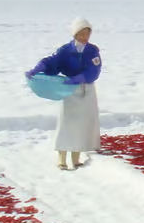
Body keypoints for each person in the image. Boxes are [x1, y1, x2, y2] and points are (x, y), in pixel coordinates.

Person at [27, 17, 102, 170]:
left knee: (82, 125)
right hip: (69, 90)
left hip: (86, 90)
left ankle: (76, 158)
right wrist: (40, 67)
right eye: (81, 33)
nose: (85, 37)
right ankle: (62, 158)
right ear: (75, 34)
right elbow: (53, 61)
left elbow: (95, 69)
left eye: (87, 33)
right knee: (66, 124)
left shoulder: (92, 50)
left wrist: (81, 78)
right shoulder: (66, 50)